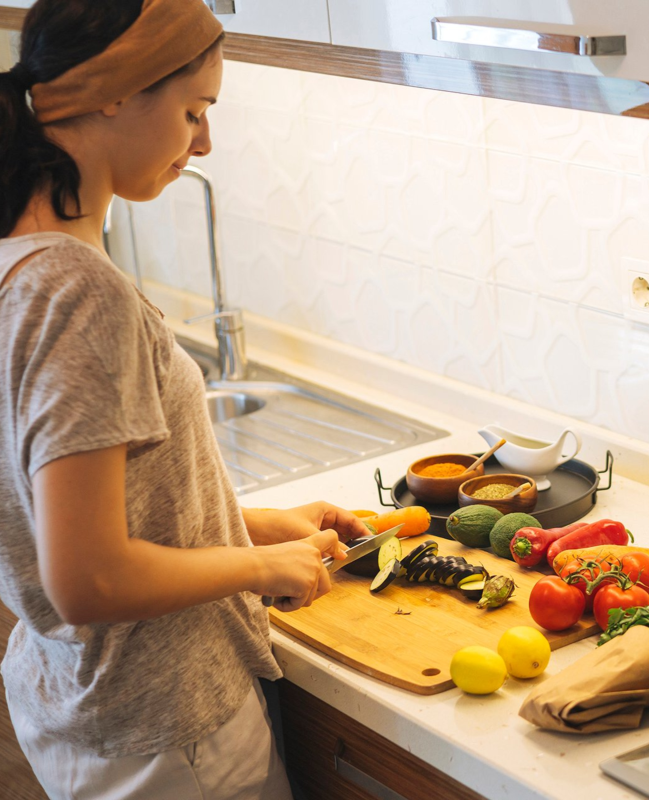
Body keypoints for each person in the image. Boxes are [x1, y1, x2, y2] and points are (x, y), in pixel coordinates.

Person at [0, 1, 369, 798]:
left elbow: (82, 517)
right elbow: (88, 579)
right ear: (116, 93)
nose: (205, 142)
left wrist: (260, 526)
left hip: (89, 708)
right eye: (194, 111)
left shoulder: (18, 261)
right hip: (165, 736)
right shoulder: (75, 291)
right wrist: (260, 563)